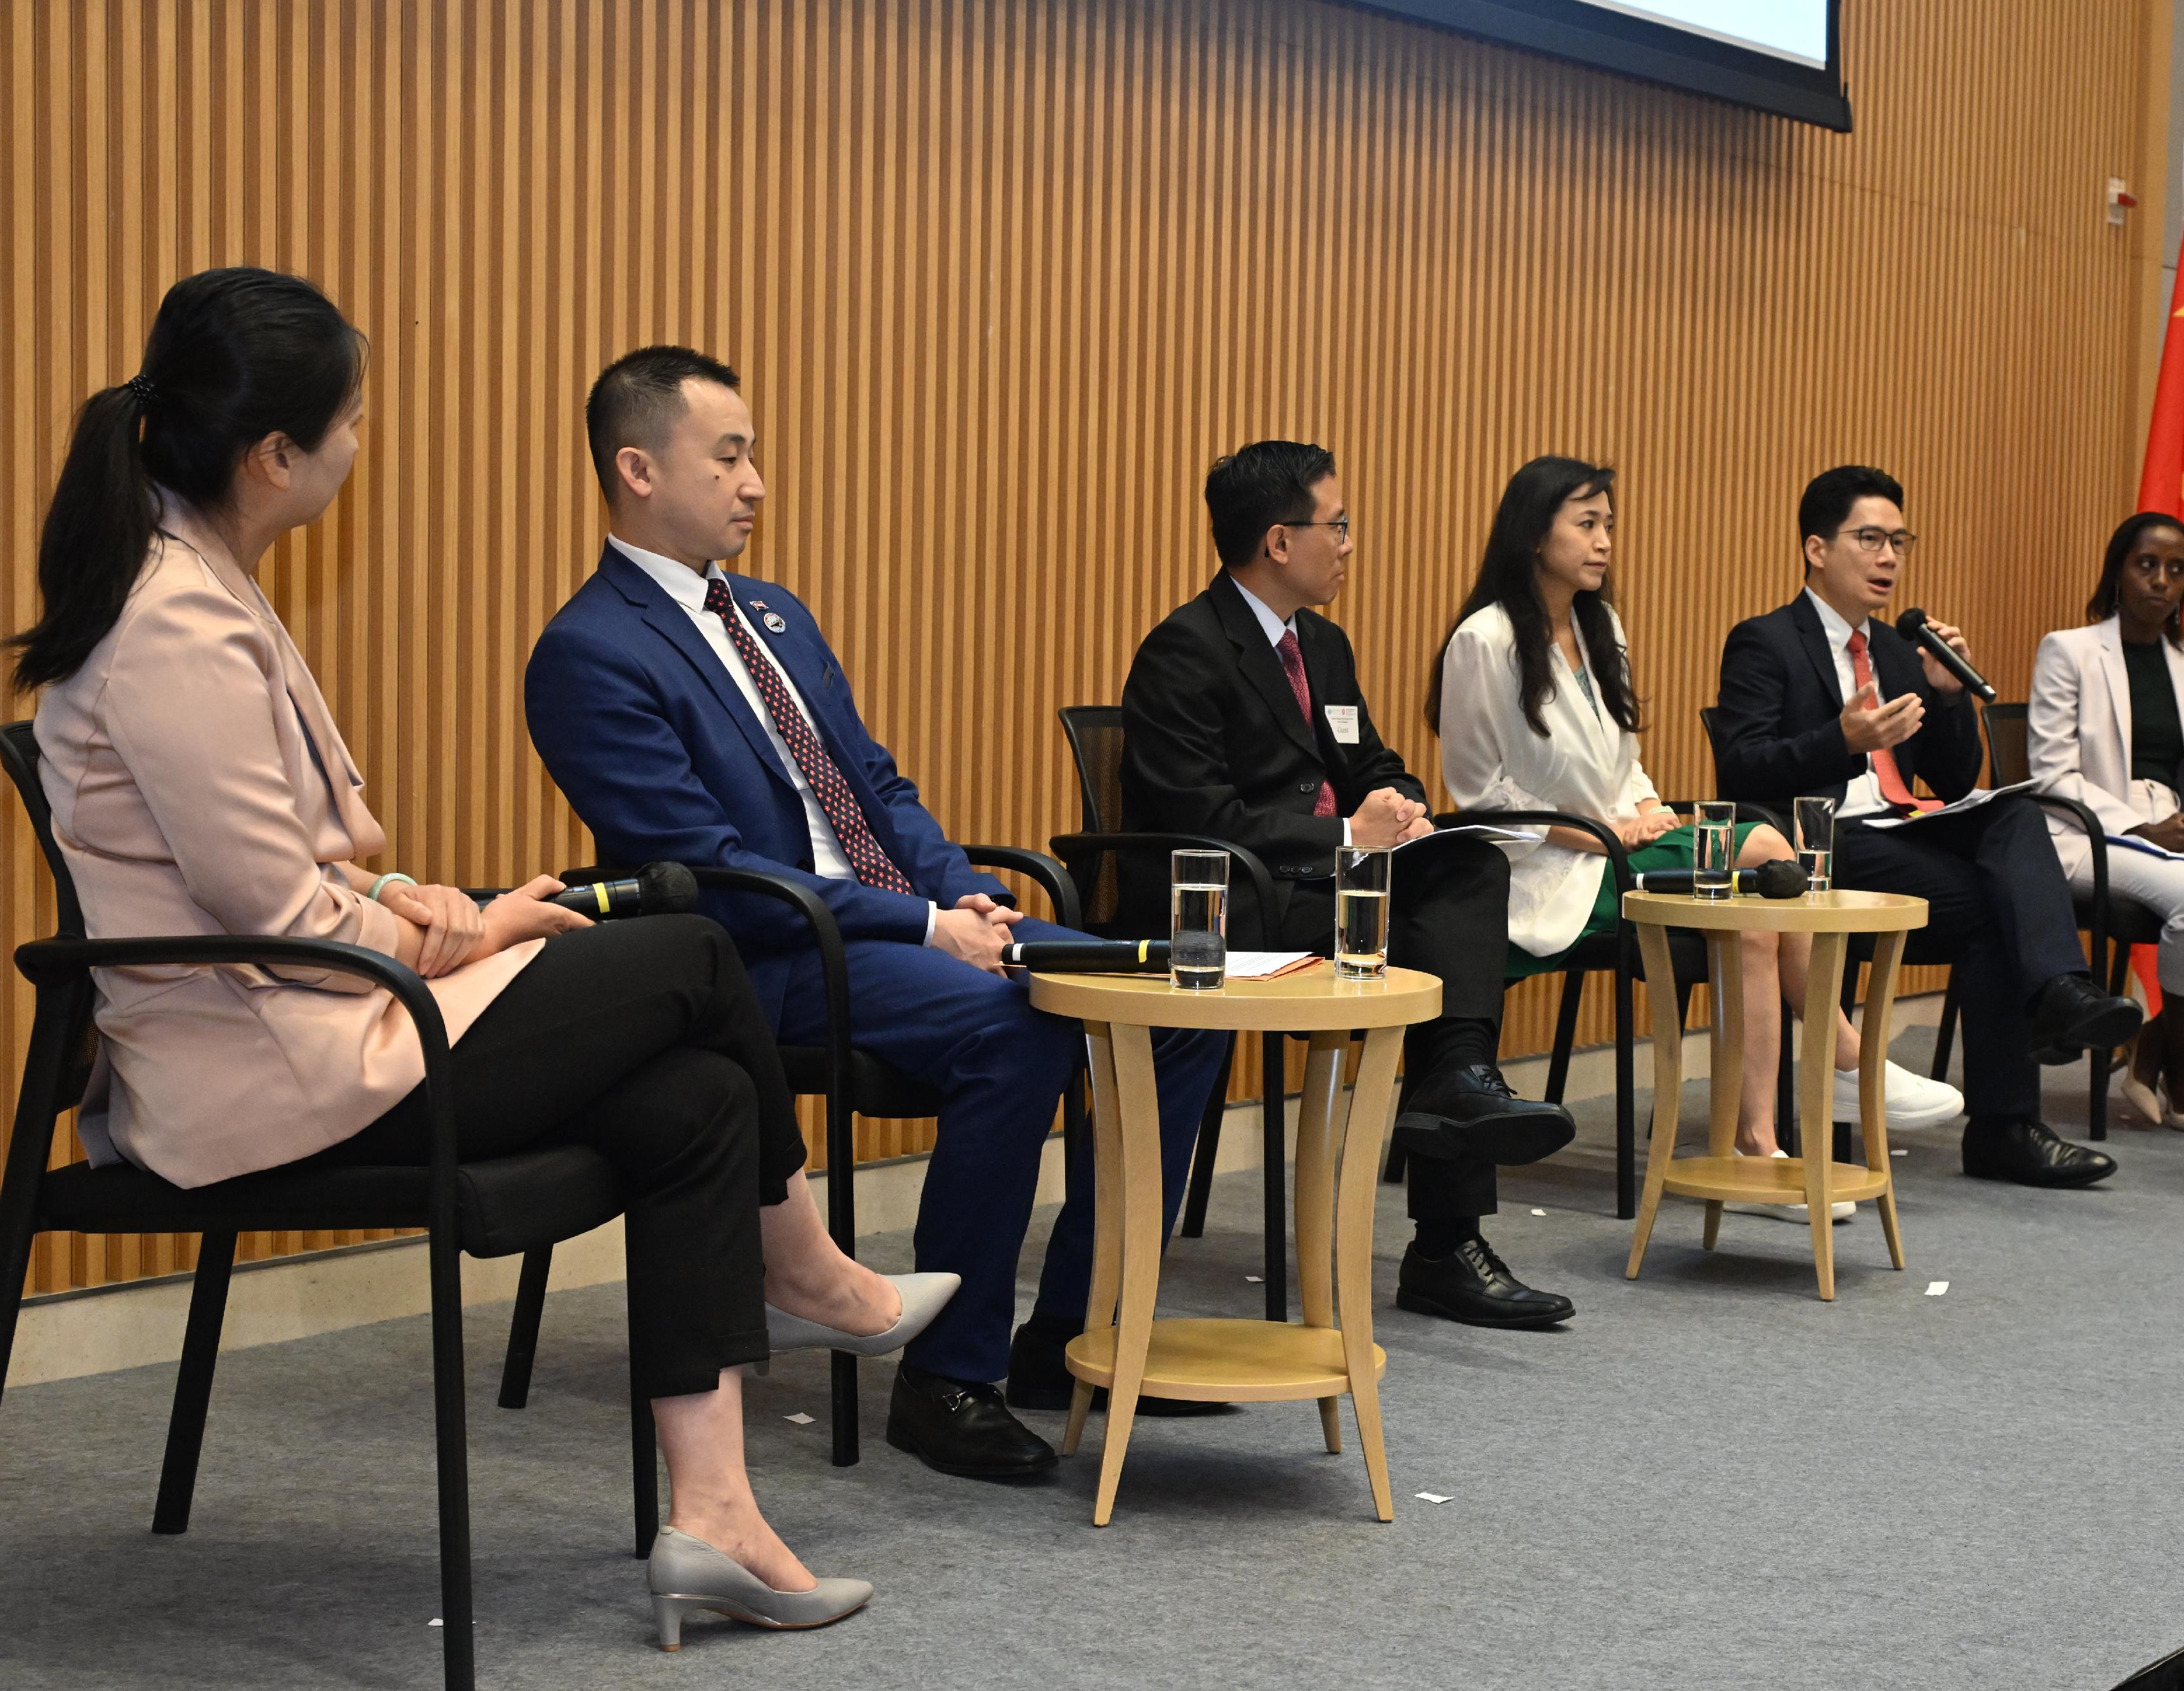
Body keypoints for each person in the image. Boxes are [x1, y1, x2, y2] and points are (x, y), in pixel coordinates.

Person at [13, 269, 948, 1649]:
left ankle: (715, 1519)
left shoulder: (204, 578)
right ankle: (806, 1266)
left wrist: (440, 902)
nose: (358, 442)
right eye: (351, 418)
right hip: (267, 1064)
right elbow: (277, 913)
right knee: (691, 950)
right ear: (278, 454)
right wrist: (470, 922)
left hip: (321, 1013)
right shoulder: (176, 621)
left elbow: (303, 870)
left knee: (693, 1099)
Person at [523, 347, 1225, 1480]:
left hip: (901, 923)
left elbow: (876, 787)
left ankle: (1075, 1336)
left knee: (1177, 1000)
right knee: (1024, 1025)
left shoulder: (775, 616)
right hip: (770, 957)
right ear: (638, 469)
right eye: (731, 456)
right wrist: (916, 929)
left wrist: (959, 890)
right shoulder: (589, 652)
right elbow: (703, 864)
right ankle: (948, 1378)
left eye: (755, 455)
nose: (757, 482)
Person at [1431, 457, 1963, 1222]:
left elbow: (1626, 758)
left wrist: (1647, 808)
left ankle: (1755, 1145)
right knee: (1766, 847)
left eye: (1608, 524)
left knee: (1750, 912)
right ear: (1532, 532)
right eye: (1586, 524)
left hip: (1624, 846)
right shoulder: (1483, 641)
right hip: (1546, 863)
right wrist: (1604, 832)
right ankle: (1845, 1054)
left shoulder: (1598, 624)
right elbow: (1480, 792)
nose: (1604, 541)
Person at [1120, 440, 1578, 1328]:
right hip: (1239, 905)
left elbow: (1374, 760)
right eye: (1338, 523)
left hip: (1334, 886)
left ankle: (1457, 1085)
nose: (1350, 542)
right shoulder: (1185, 650)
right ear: (1279, 542)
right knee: (1424, 940)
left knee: (1470, 864)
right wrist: (1343, 834)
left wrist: (1401, 807)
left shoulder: (1322, 645)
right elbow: (1200, 820)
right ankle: (1447, 1225)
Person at [1711, 464, 2143, 1188]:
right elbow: (1740, 767)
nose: (1888, 559)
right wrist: (1838, 742)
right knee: (1992, 910)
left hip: (1895, 830)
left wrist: (1946, 699)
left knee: (2009, 817)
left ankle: (2051, 1015)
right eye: (1870, 540)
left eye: (1899, 543)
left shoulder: (1895, 650)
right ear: (1817, 549)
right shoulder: (1765, 642)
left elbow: (1947, 779)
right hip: (1819, 846)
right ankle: (2029, 1067)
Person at [2026, 512, 2184, 1136]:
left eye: (2176, 570)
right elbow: (2052, 775)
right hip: (2089, 833)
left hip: (2183, 829)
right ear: (2118, 572)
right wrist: (2141, 831)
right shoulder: (2071, 651)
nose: (2161, 581)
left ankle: (2155, 1042)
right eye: (2146, 565)